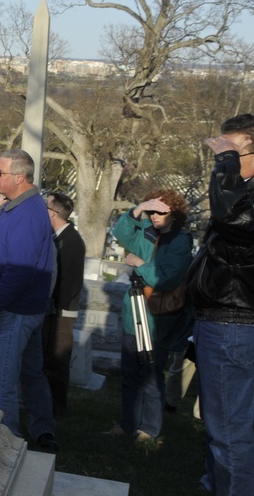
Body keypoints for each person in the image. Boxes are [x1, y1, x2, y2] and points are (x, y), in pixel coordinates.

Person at [191, 114, 254, 495]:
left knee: (231, 433)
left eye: (232, 152)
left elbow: (230, 216)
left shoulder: (241, 200)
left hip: (234, 325)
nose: (222, 160)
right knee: (228, 429)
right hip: (228, 321)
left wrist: (226, 162)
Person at [108, 188, 192, 442]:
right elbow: (121, 232)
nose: (154, 215)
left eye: (160, 212)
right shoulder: (147, 232)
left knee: (152, 378)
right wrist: (139, 207)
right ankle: (128, 424)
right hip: (133, 313)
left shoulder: (180, 242)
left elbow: (166, 279)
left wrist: (140, 264)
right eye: (151, 211)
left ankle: (149, 430)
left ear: (174, 214)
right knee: (130, 375)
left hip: (158, 318)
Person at [0, 149, 56, 446]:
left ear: (19, 177)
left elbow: (19, 270)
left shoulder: (27, 214)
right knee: (31, 374)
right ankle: (43, 430)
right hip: (28, 308)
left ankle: (6, 443)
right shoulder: (21, 207)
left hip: (15, 311)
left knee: (0, 384)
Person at [42, 191, 86, 417]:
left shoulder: (72, 241)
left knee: (57, 361)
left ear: (53, 213)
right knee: (49, 358)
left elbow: (70, 282)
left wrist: (55, 306)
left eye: (46, 207)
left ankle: (57, 409)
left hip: (61, 311)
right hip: (55, 308)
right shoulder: (60, 237)